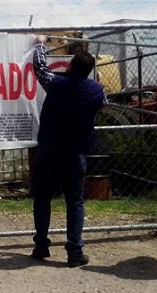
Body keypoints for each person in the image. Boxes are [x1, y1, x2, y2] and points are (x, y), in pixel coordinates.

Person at [30, 36, 105, 267]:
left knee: (42, 197)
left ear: (70, 65)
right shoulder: (96, 91)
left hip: (49, 149)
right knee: (75, 201)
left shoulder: (56, 83)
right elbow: (103, 103)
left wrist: (40, 45)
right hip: (75, 152)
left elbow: (39, 67)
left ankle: (41, 245)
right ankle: (75, 251)